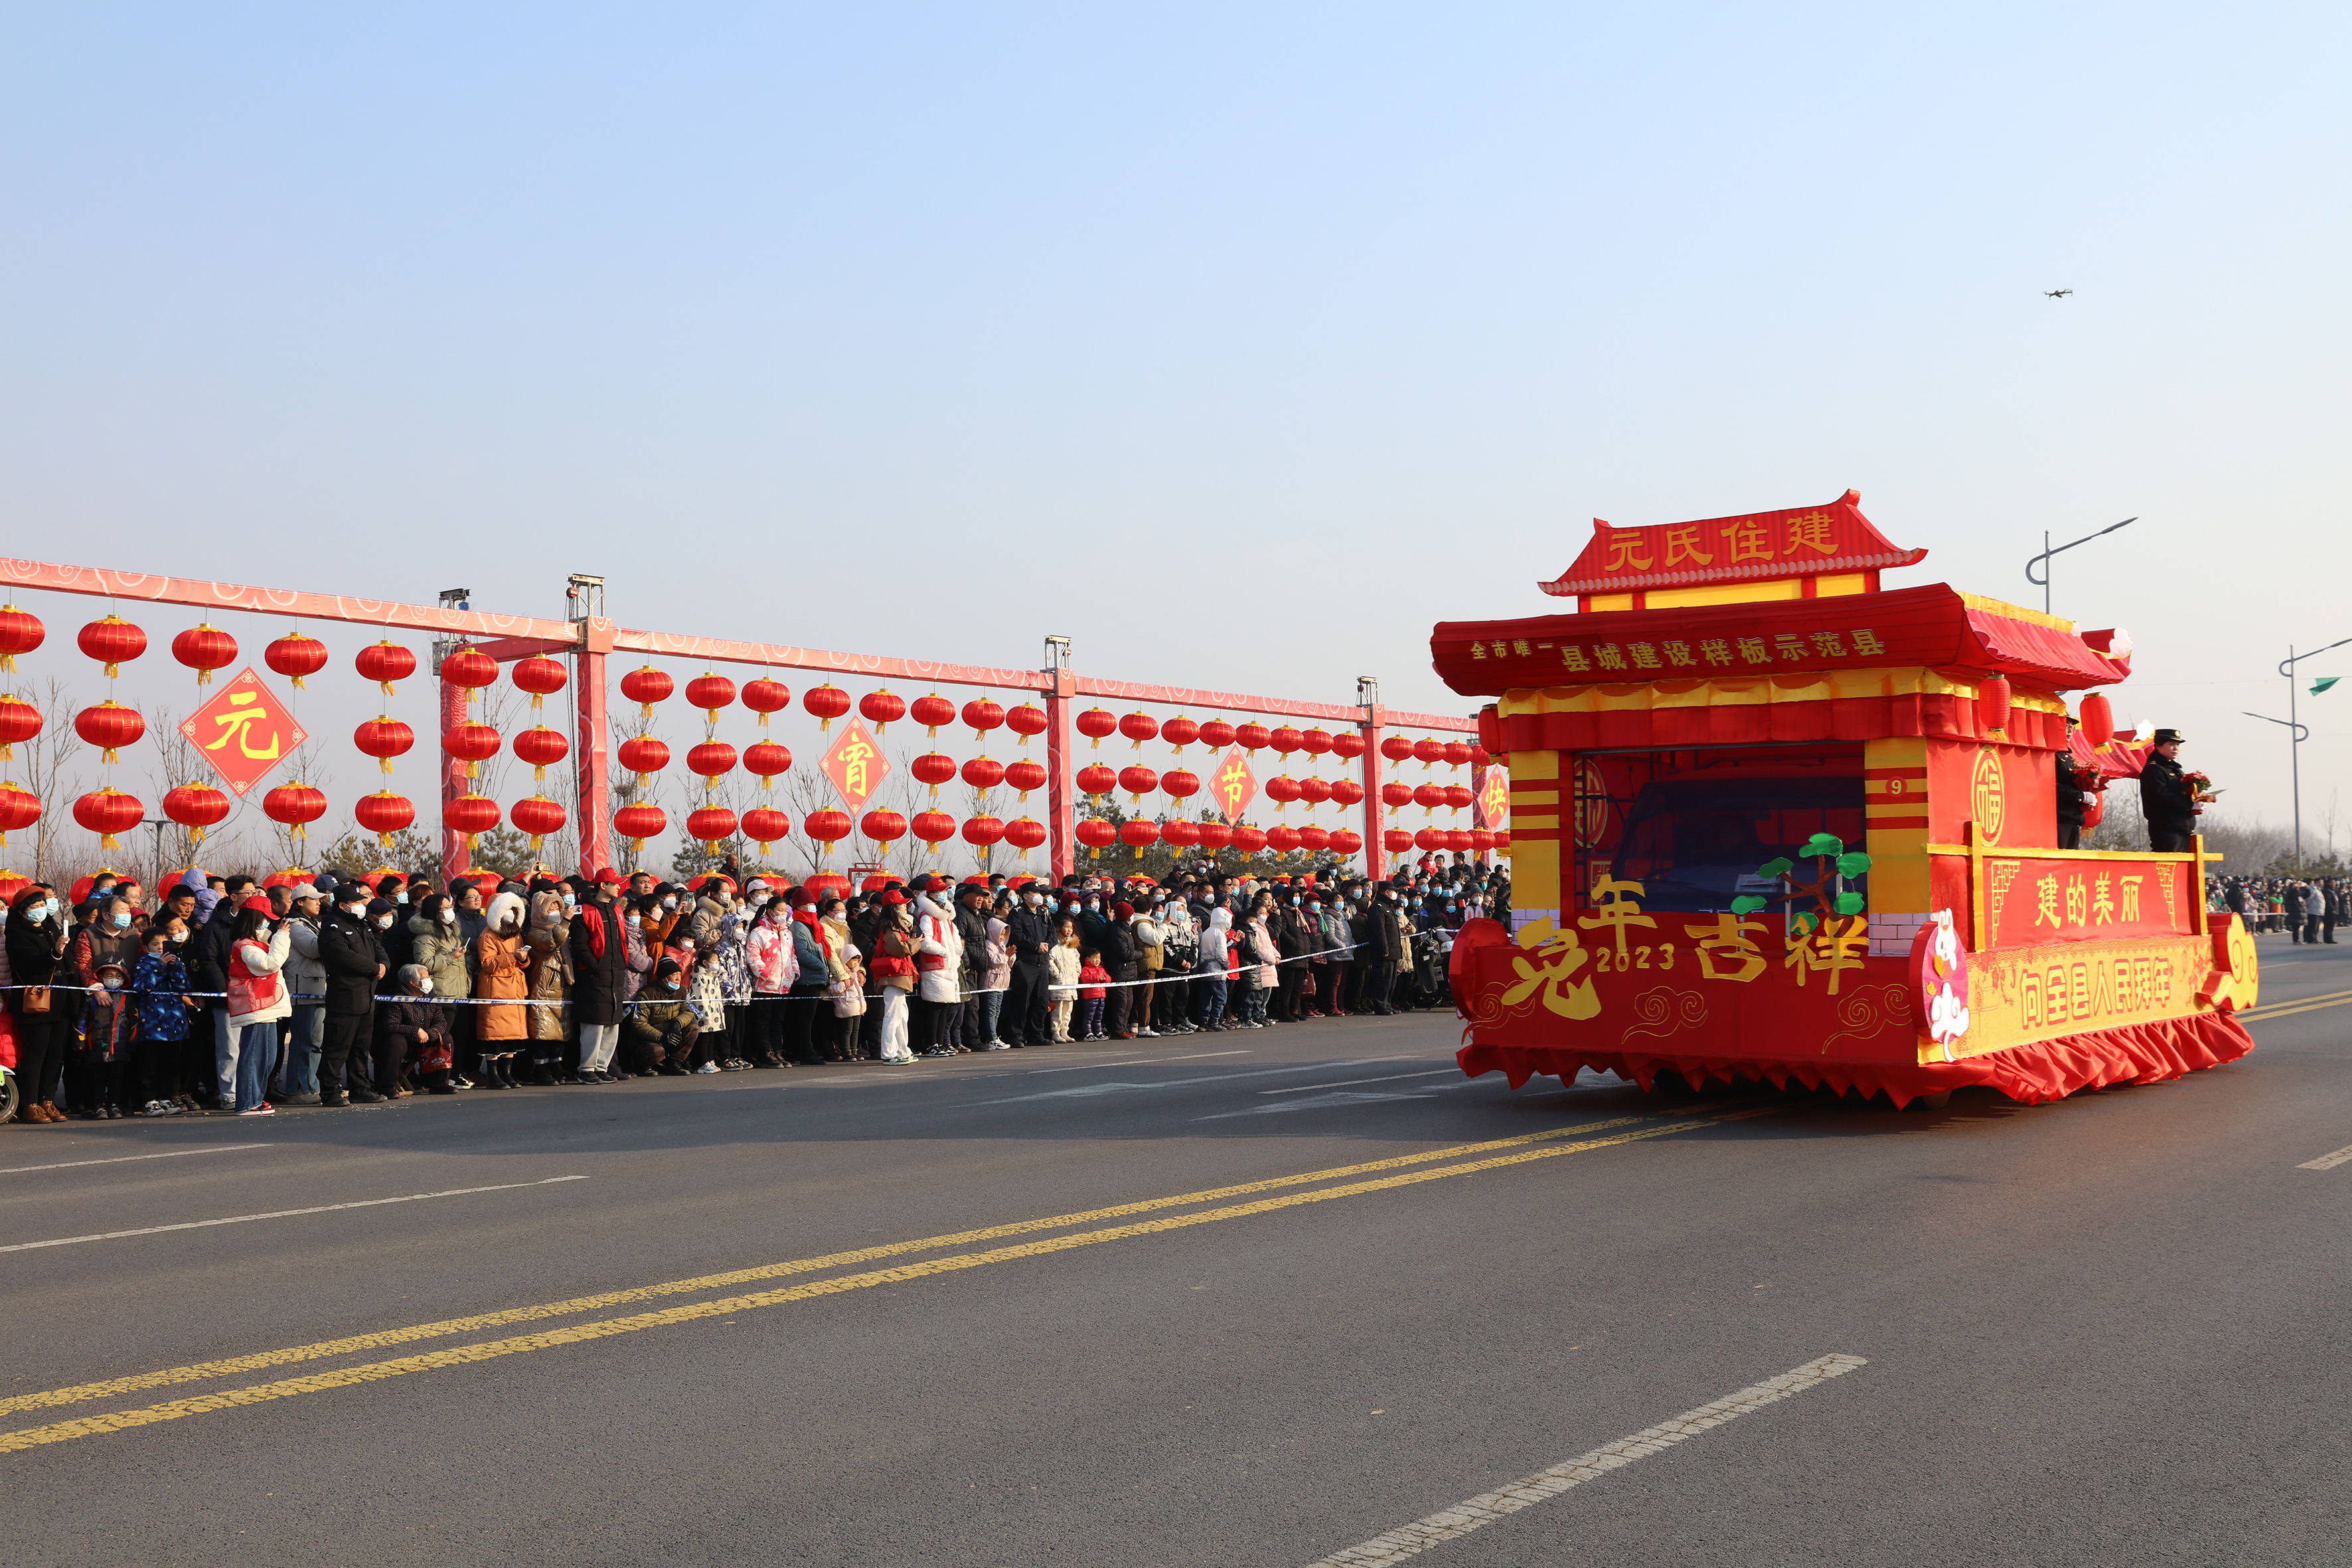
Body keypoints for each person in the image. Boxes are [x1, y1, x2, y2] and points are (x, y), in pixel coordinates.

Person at [317, 888, 388, 1106]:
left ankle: (360, 1088)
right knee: (337, 1047)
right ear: (342, 905)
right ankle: (330, 1091)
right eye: (355, 902)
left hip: (366, 997)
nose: (360, 905)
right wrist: (374, 968)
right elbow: (344, 957)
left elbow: (379, 949)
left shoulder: (364, 925)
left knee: (360, 1048)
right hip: (345, 997)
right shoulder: (332, 928)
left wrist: (383, 965)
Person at [222, 898, 292, 1116]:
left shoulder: (256, 943)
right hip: (255, 1007)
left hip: (266, 1006)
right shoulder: (244, 945)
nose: (267, 925)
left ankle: (257, 1099)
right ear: (253, 920)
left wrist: (278, 935)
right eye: (264, 920)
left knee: (267, 1058)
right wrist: (282, 935)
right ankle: (247, 1102)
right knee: (254, 1057)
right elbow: (270, 964)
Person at [569, 874, 630, 1082]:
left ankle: (602, 1067)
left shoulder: (616, 909)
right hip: (594, 975)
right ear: (603, 885)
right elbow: (579, 945)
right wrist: (594, 967)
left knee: (613, 1022)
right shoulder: (582, 910)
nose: (618, 889)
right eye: (615, 884)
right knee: (593, 1023)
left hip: (616, 974)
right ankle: (586, 1069)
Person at [131, 921, 194, 1116]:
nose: (160, 948)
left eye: (164, 944)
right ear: (146, 947)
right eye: (155, 944)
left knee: (172, 1063)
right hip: (153, 1023)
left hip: (175, 1023)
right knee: (150, 1063)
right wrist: (159, 967)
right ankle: (149, 1100)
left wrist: (175, 968)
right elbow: (142, 988)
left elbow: (184, 986)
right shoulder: (143, 964)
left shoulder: (176, 962)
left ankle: (168, 1097)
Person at [473, 891, 532, 1087]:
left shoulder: (516, 935)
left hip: (515, 988)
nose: (510, 914)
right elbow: (488, 963)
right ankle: (493, 1075)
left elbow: (522, 962)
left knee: (512, 1035)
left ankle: (507, 1074)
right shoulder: (488, 936)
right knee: (494, 1034)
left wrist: (524, 959)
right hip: (496, 987)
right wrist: (513, 957)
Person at [382, 965, 457, 1093]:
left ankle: (439, 1083)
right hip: (406, 1044)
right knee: (395, 1041)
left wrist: (430, 1033)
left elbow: (441, 1021)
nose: (429, 981)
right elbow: (391, 1025)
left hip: (426, 1041)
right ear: (413, 982)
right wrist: (415, 1031)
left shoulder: (431, 996)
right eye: (425, 978)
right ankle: (388, 1086)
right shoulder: (398, 998)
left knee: (446, 1037)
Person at [623, 957, 701, 1075]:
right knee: (657, 1051)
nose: (678, 978)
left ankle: (674, 1062)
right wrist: (661, 1037)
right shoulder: (647, 994)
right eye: (674, 974)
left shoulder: (682, 991)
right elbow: (638, 1023)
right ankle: (642, 1066)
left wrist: (677, 1023)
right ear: (664, 978)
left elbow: (689, 1011)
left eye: (679, 974)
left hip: (672, 1032)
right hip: (650, 1038)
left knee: (693, 1028)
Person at [912, 884, 964, 1058]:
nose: (944, 895)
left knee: (945, 1006)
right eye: (941, 892)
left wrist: (956, 952)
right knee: (934, 1007)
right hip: (935, 966)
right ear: (932, 894)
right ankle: (931, 1043)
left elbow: (956, 939)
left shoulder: (946, 917)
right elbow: (925, 942)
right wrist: (944, 951)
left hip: (949, 966)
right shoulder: (927, 916)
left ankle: (941, 1042)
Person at [1003, 884, 1056, 1048]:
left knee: (1041, 1001)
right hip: (1026, 962)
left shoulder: (1044, 912)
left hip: (1042, 962)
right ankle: (1015, 1035)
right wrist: (1035, 946)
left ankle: (1037, 1034)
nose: (1039, 896)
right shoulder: (1017, 913)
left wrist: (1047, 944)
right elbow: (1017, 936)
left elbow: (1052, 933)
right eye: (1036, 893)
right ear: (1026, 896)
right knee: (1022, 1001)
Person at [870, 892, 919, 1063]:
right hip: (892, 974)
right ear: (894, 907)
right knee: (893, 1014)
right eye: (902, 904)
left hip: (898, 973)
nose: (906, 906)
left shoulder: (896, 927)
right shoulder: (890, 927)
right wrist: (915, 943)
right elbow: (898, 949)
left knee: (901, 1014)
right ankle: (889, 1053)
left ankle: (903, 1050)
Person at [2140, 729, 2199, 853]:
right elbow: (2161, 795)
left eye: (2177, 745)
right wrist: (2189, 804)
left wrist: (2197, 798)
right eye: (2171, 744)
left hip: (2183, 828)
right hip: (2166, 829)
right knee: (2167, 869)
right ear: (2158, 746)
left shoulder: (2176, 770)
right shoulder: (2154, 769)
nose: (2175, 748)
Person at [1047, 915, 1082, 1042]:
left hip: (1071, 983)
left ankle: (1064, 1031)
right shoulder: (1055, 945)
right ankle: (1055, 1032)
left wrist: (1078, 973)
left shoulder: (1072, 945)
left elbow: (1077, 961)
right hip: (1059, 984)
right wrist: (1057, 975)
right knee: (1058, 1010)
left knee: (1068, 1010)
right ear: (1058, 928)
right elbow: (1050, 961)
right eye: (1066, 927)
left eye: (1071, 927)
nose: (1069, 930)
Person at [1075, 951, 1111, 1040]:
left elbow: (1109, 978)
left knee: (1099, 1016)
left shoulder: (1101, 969)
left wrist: (1104, 978)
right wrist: (1097, 978)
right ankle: (1088, 1033)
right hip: (1090, 997)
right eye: (1095, 958)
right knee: (1089, 1017)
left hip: (1101, 997)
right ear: (1088, 959)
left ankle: (1098, 1032)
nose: (1097, 960)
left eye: (1099, 958)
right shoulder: (1086, 969)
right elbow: (1084, 979)